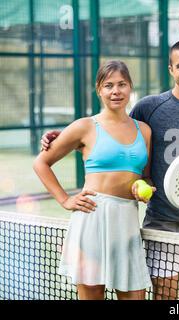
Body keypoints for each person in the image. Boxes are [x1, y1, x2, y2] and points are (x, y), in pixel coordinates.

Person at [41, 40, 179, 300]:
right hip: (161, 221)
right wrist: (64, 138)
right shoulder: (147, 108)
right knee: (163, 296)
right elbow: (116, 131)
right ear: (170, 69)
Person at [34, 60, 153, 300]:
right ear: (99, 89)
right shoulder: (84, 126)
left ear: (130, 88)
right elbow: (41, 163)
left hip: (127, 223)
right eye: (108, 85)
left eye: (122, 84)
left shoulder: (145, 130)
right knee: (93, 294)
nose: (116, 91)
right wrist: (65, 199)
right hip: (92, 218)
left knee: (134, 295)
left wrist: (144, 189)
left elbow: (146, 177)